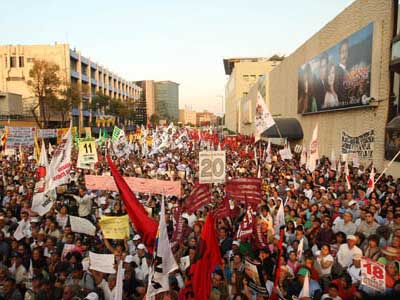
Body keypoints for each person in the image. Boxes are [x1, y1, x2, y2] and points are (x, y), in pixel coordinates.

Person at [335, 39, 350, 104]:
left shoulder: (349, 70)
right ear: (339, 54)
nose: (344, 55)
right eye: (342, 52)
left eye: (346, 51)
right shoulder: (336, 71)